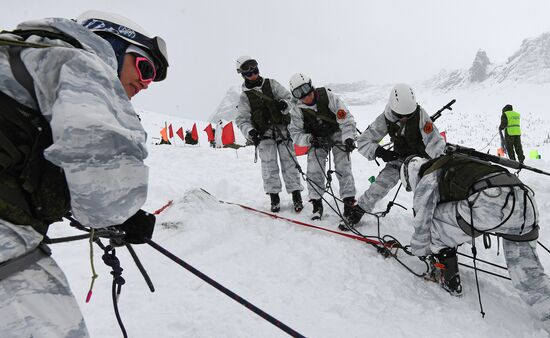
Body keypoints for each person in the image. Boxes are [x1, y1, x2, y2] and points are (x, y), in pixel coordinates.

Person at [0, 10, 167, 337]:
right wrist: (123, 214)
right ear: (111, 45)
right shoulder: (81, 61)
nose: (145, 84)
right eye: (145, 68)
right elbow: (104, 192)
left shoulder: (20, 55)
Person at [400, 153, 550, 331]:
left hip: (491, 202)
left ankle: (447, 276)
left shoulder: (428, 176)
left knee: (434, 221)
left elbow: (422, 224)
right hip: (524, 200)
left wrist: (420, 250)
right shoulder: (453, 162)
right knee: (527, 272)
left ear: (411, 175)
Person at [345, 84, 445, 229]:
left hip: (422, 161)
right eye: (400, 115)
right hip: (399, 159)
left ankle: (429, 224)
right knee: (380, 185)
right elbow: (363, 141)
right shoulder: (386, 118)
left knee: (426, 193)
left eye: (408, 115)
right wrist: (380, 152)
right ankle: (358, 210)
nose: (404, 118)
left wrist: (439, 163)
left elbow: (435, 142)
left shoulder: (420, 115)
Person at [235, 57, 303, 212]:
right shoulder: (244, 97)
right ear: (243, 75)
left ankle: (296, 195)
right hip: (263, 134)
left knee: (290, 163)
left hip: (282, 130)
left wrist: (285, 105)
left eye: (255, 70)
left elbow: (290, 98)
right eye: (248, 73)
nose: (253, 74)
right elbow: (242, 119)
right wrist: (250, 132)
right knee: (268, 166)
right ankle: (274, 198)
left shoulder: (272, 84)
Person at [288, 73, 357, 221]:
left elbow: (346, 119)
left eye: (306, 89)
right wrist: (310, 139)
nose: (305, 96)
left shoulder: (328, 96)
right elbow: (295, 133)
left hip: (337, 133)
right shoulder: (297, 110)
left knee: (343, 166)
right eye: (299, 94)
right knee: (313, 169)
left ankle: (349, 203)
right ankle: (317, 204)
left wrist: (349, 138)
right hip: (316, 139)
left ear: (311, 86)